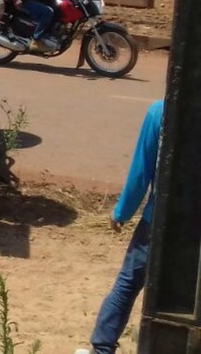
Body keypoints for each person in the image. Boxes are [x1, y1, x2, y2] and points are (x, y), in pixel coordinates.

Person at [85, 99, 164, 354]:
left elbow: (142, 173)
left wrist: (122, 212)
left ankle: (102, 348)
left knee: (129, 282)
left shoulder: (161, 111)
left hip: (158, 222)